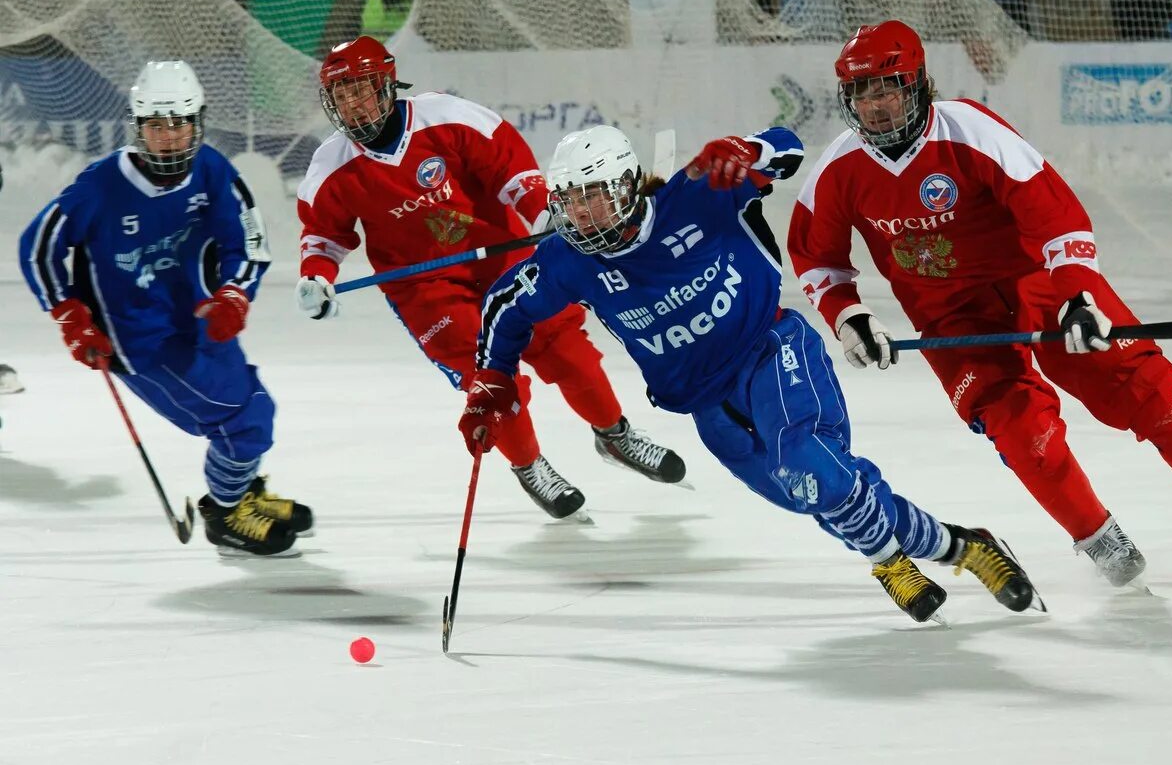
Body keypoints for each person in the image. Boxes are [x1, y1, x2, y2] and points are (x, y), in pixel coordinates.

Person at [457, 123, 1042, 624]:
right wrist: (491, 384)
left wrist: (748, 150)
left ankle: (890, 560)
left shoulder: (695, 195)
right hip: (707, 407)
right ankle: (959, 545)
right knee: (809, 496)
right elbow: (506, 309)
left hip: (772, 350)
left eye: (595, 196)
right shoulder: (568, 259)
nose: (582, 212)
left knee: (808, 468)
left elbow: (786, 150)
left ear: (629, 185)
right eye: (571, 200)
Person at [787, 19, 1172, 588]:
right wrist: (848, 316)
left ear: (919, 82)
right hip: (951, 316)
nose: (875, 105)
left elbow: (1054, 212)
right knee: (1023, 435)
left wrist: (1077, 295)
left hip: (1037, 283)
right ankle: (1098, 537)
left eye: (887, 86)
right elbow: (816, 258)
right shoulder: (838, 168)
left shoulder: (968, 128)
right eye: (861, 93)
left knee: (1152, 392)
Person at [295, 36, 684, 520]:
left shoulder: (447, 118)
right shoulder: (330, 165)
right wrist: (315, 275)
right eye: (342, 95)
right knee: (492, 381)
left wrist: (542, 213)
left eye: (362, 89)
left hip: (500, 261)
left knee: (565, 346)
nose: (353, 104)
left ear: (387, 84)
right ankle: (529, 465)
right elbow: (322, 235)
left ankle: (616, 436)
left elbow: (513, 171)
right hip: (424, 291)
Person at [18, 60, 311, 557]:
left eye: (179, 123)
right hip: (139, 342)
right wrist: (69, 314)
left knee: (248, 402)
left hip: (200, 320)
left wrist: (236, 293)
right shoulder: (102, 186)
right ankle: (225, 512)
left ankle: (238, 489)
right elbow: (37, 248)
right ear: (138, 128)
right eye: (156, 125)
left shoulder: (213, 169)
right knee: (247, 417)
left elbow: (250, 239)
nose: (169, 137)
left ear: (197, 122)